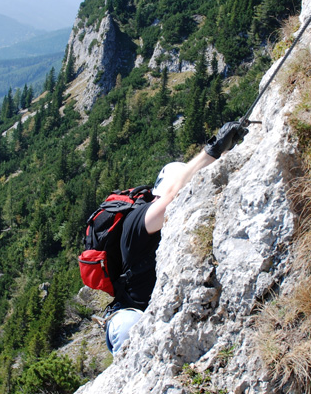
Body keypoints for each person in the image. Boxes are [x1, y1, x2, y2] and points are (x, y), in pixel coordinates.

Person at [105, 121, 248, 353]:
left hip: (162, 309)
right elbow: (172, 197)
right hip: (130, 314)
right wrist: (213, 150)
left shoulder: (170, 222)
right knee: (126, 327)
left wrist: (228, 153)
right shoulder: (138, 221)